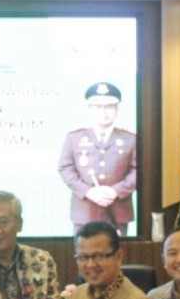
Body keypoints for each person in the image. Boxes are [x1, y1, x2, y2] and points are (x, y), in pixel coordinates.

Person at [57, 82, 138, 230]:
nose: (104, 112)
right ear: (89, 109)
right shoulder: (74, 138)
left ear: (117, 109)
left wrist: (116, 191)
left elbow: (139, 171)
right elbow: (65, 168)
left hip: (117, 212)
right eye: (98, 107)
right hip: (85, 212)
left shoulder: (131, 139)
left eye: (109, 106)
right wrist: (88, 192)